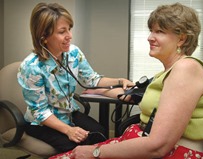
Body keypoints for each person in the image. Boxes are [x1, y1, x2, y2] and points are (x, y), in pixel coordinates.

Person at [50, 2, 203, 159]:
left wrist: (96, 152)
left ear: (182, 39)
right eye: (152, 30)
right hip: (144, 144)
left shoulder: (186, 69)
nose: (150, 37)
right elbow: (131, 95)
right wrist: (99, 90)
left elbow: (159, 145)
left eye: (160, 32)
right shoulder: (166, 73)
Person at [17, 2, 134, 153]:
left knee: (100, 134)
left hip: (68, 113)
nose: (69, 36)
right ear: (43, 37)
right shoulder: (31, 67)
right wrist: (68, 130)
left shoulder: (73, 53)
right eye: (62, 32)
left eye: (69, 29)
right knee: (73, 148)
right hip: (42, 123)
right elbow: (40, 112)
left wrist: (120, 81)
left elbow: (91, 80)